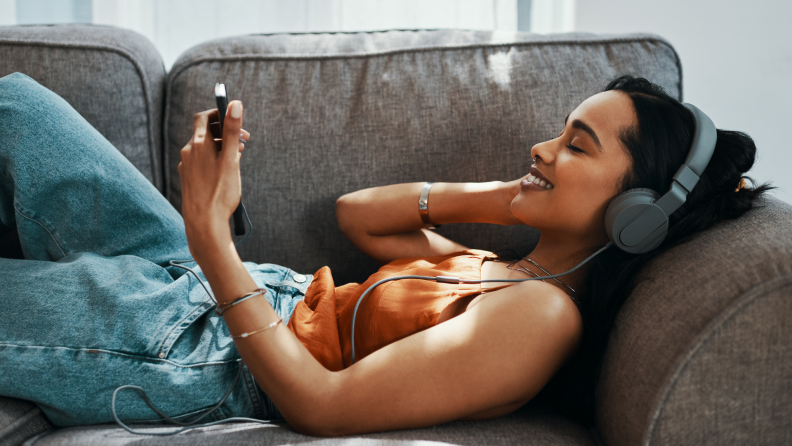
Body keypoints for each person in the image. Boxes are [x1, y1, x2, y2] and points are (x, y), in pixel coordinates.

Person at [0, 72, 771, 437]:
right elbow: (361, 216)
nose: (542, 145)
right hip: (230, 288)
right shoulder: (507, 272)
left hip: (205, 351)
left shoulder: (539, 318)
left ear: (635, 215)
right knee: (21, 105)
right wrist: (518, 189)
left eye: (576, 145)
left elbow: (319, 405)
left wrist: (211, 231)